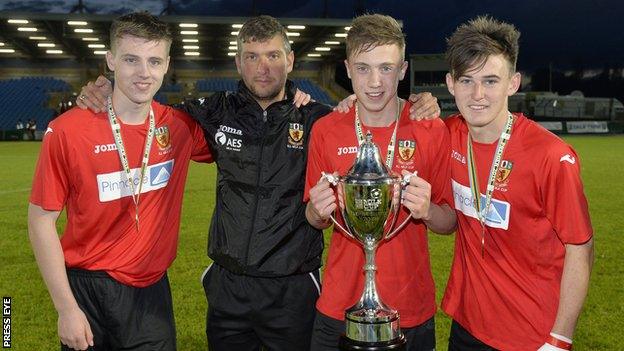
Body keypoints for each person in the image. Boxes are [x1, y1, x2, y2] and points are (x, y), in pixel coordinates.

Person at [76, 15, 441, 350]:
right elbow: (146, 112)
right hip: (229, 288)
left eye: (272, 56)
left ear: (290, 60)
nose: (262, 68)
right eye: (251, 57)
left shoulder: (317, 119)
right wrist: (107, 89)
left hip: (293, 288)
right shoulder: (213, 112)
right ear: (238, 63)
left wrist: (421, 101)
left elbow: (365, 110)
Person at [28, 12, 211, 350]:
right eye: (131, 59)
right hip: (87, 291)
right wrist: (66, 309)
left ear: (167, 64)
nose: (144, 73)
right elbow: (41, 221)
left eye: (154, 61)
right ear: (110, 60)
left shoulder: (181, 127)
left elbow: (248, 134)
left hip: (151, 293)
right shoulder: (68, 130)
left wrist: (334, 104)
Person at [439, 16, 594, 350]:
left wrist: (560, 338)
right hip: (466, 325)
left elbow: (580, 248)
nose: (477, 94)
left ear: (513, 82)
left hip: (531, 335)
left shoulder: (551, 156)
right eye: (466, 81)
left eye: (491, 81)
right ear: (450, 84)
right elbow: (389, 118)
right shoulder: (448, 136)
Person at [304, 14, 456, 351]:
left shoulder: (431, 129)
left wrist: (427, 209)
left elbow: (450, 222)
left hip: (410, 308)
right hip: (339, 306)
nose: (375, 82)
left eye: (386, 68)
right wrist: (316, 211)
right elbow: (312, 220)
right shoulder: (327, 130)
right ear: (347, 68)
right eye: (363, 68)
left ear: (402, 71)